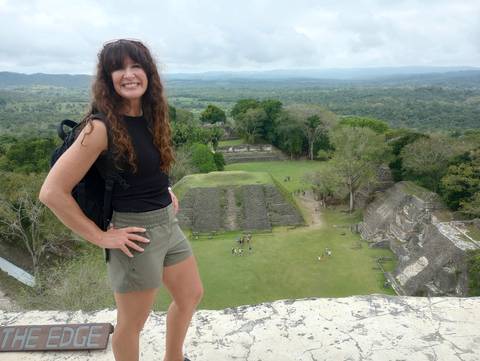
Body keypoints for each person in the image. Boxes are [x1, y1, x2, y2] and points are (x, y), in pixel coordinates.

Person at [38, 39, 202, 361]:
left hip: (167, 223)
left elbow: (141, 168)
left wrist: (163, 189)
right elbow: (51, 192)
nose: (128, 74)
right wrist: (100, 236)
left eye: (135, 66)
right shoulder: (99, 128)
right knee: (132, 324)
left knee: (191, 295)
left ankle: (174, 358)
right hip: (136, 235)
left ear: (148, 73)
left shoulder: (150, 115)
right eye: (118, 68)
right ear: (107, 78)